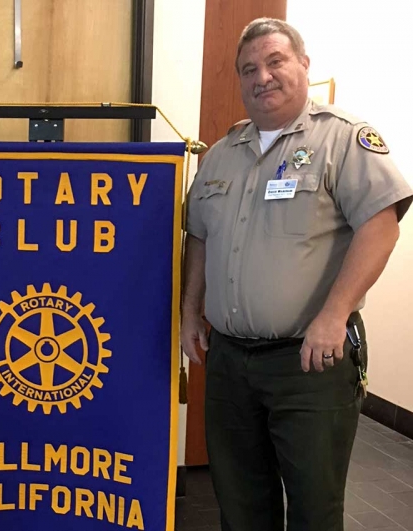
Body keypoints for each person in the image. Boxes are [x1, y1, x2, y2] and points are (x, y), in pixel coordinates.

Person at [181, 18, 412, 531]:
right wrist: (189, 310)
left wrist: (334, 316)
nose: (262, 76)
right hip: (230, 363)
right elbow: (198, 235)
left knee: (313, 506)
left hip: (309, 362)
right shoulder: (220, 155)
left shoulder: (343, 139)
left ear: (303, 65)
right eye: (249, 69)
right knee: (240, 505)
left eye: (275, 61)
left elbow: (381, 228)